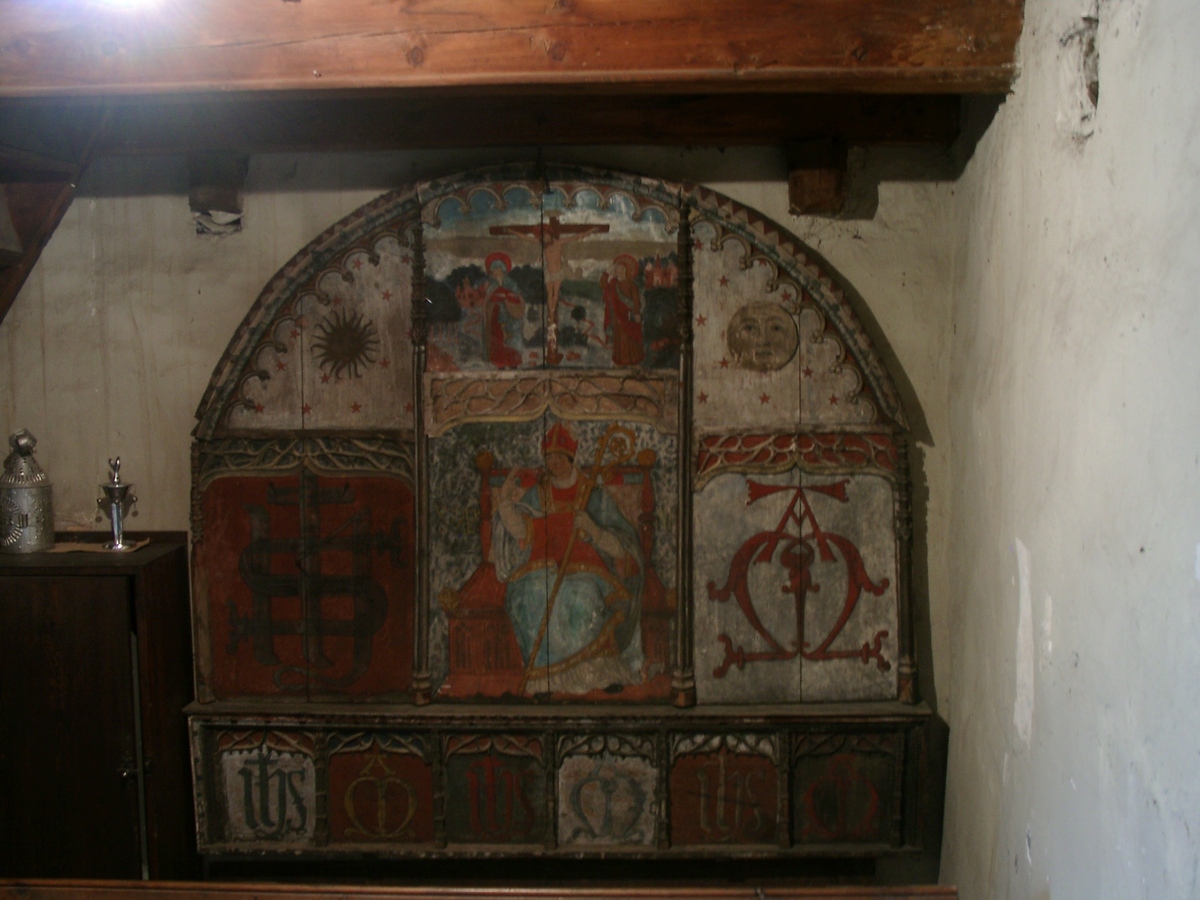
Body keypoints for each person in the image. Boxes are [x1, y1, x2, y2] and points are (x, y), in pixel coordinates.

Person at [489, 422, 644, 694]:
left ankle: (596, 674)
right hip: (541, 568)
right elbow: (522, 531)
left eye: (560, 457)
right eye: (550, 457)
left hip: (588, 570)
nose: (555, 463)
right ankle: (544, 679)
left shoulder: (592, 494)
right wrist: (504, 504)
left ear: (571, 457)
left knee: (582, 597)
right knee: (530, 595)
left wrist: (594, 531)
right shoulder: (538, 494)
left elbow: (625, 546)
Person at [599, 254, 646, 367]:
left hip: (629, 317)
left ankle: (634, 362)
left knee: (630, 339)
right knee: (619, 340)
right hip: (617, 317)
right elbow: (602, 284)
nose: (620, 271)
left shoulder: (632, 285)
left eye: (623, 269)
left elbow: (636, 302)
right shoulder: (613, 283)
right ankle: (619, 362)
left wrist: (636, 313)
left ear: (627, 270)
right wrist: (606, 273)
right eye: (618, 269)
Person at [481, 251, 525, 368]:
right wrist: (494, 299)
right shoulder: (492, 285)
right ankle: (500, 365)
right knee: (497, 342)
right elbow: (487, 300)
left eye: (497, 269)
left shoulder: (511, 284)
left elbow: (518, 298)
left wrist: (507, 298)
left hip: (511, 317)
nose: (495, 272)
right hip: (495, 317)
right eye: (493, 270)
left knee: (511, 343)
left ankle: (513, 364)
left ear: (503, 269)